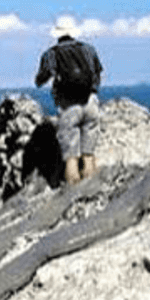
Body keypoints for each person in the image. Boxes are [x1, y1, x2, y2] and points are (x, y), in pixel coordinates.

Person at [35, 15, 103, 185]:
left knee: (71, 155)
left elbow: (40, 79)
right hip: (91, 101)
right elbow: (98, 73)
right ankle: (91, 184)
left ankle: (72, 190)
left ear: (57, 34)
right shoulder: (89, 49)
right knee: (89, 154)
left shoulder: (51, 54)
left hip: (68, 105)